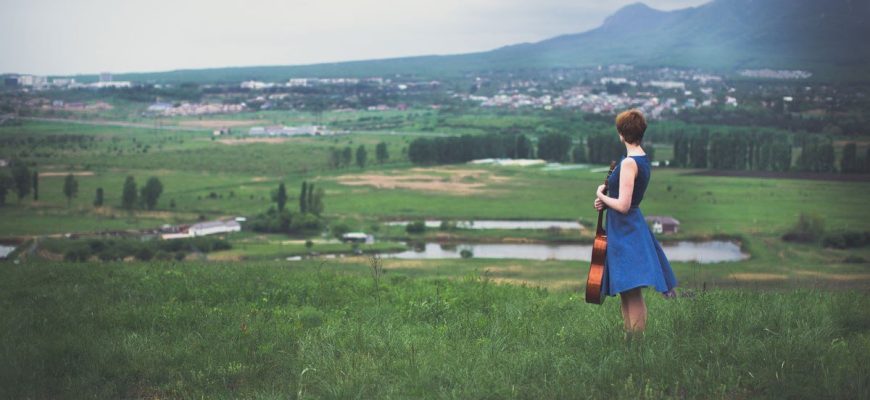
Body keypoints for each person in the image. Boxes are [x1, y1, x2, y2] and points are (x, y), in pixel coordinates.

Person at [593, 109, 677, 335]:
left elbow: (623, 205)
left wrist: (601, 195)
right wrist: (606, 202)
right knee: (626, 289)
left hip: (627, 229)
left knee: (632, 289)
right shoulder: (640, 157)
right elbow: (621, 201)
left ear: (621, 133)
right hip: (625, 227)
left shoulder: (630, 163)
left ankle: (636, 346)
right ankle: (629, 342)